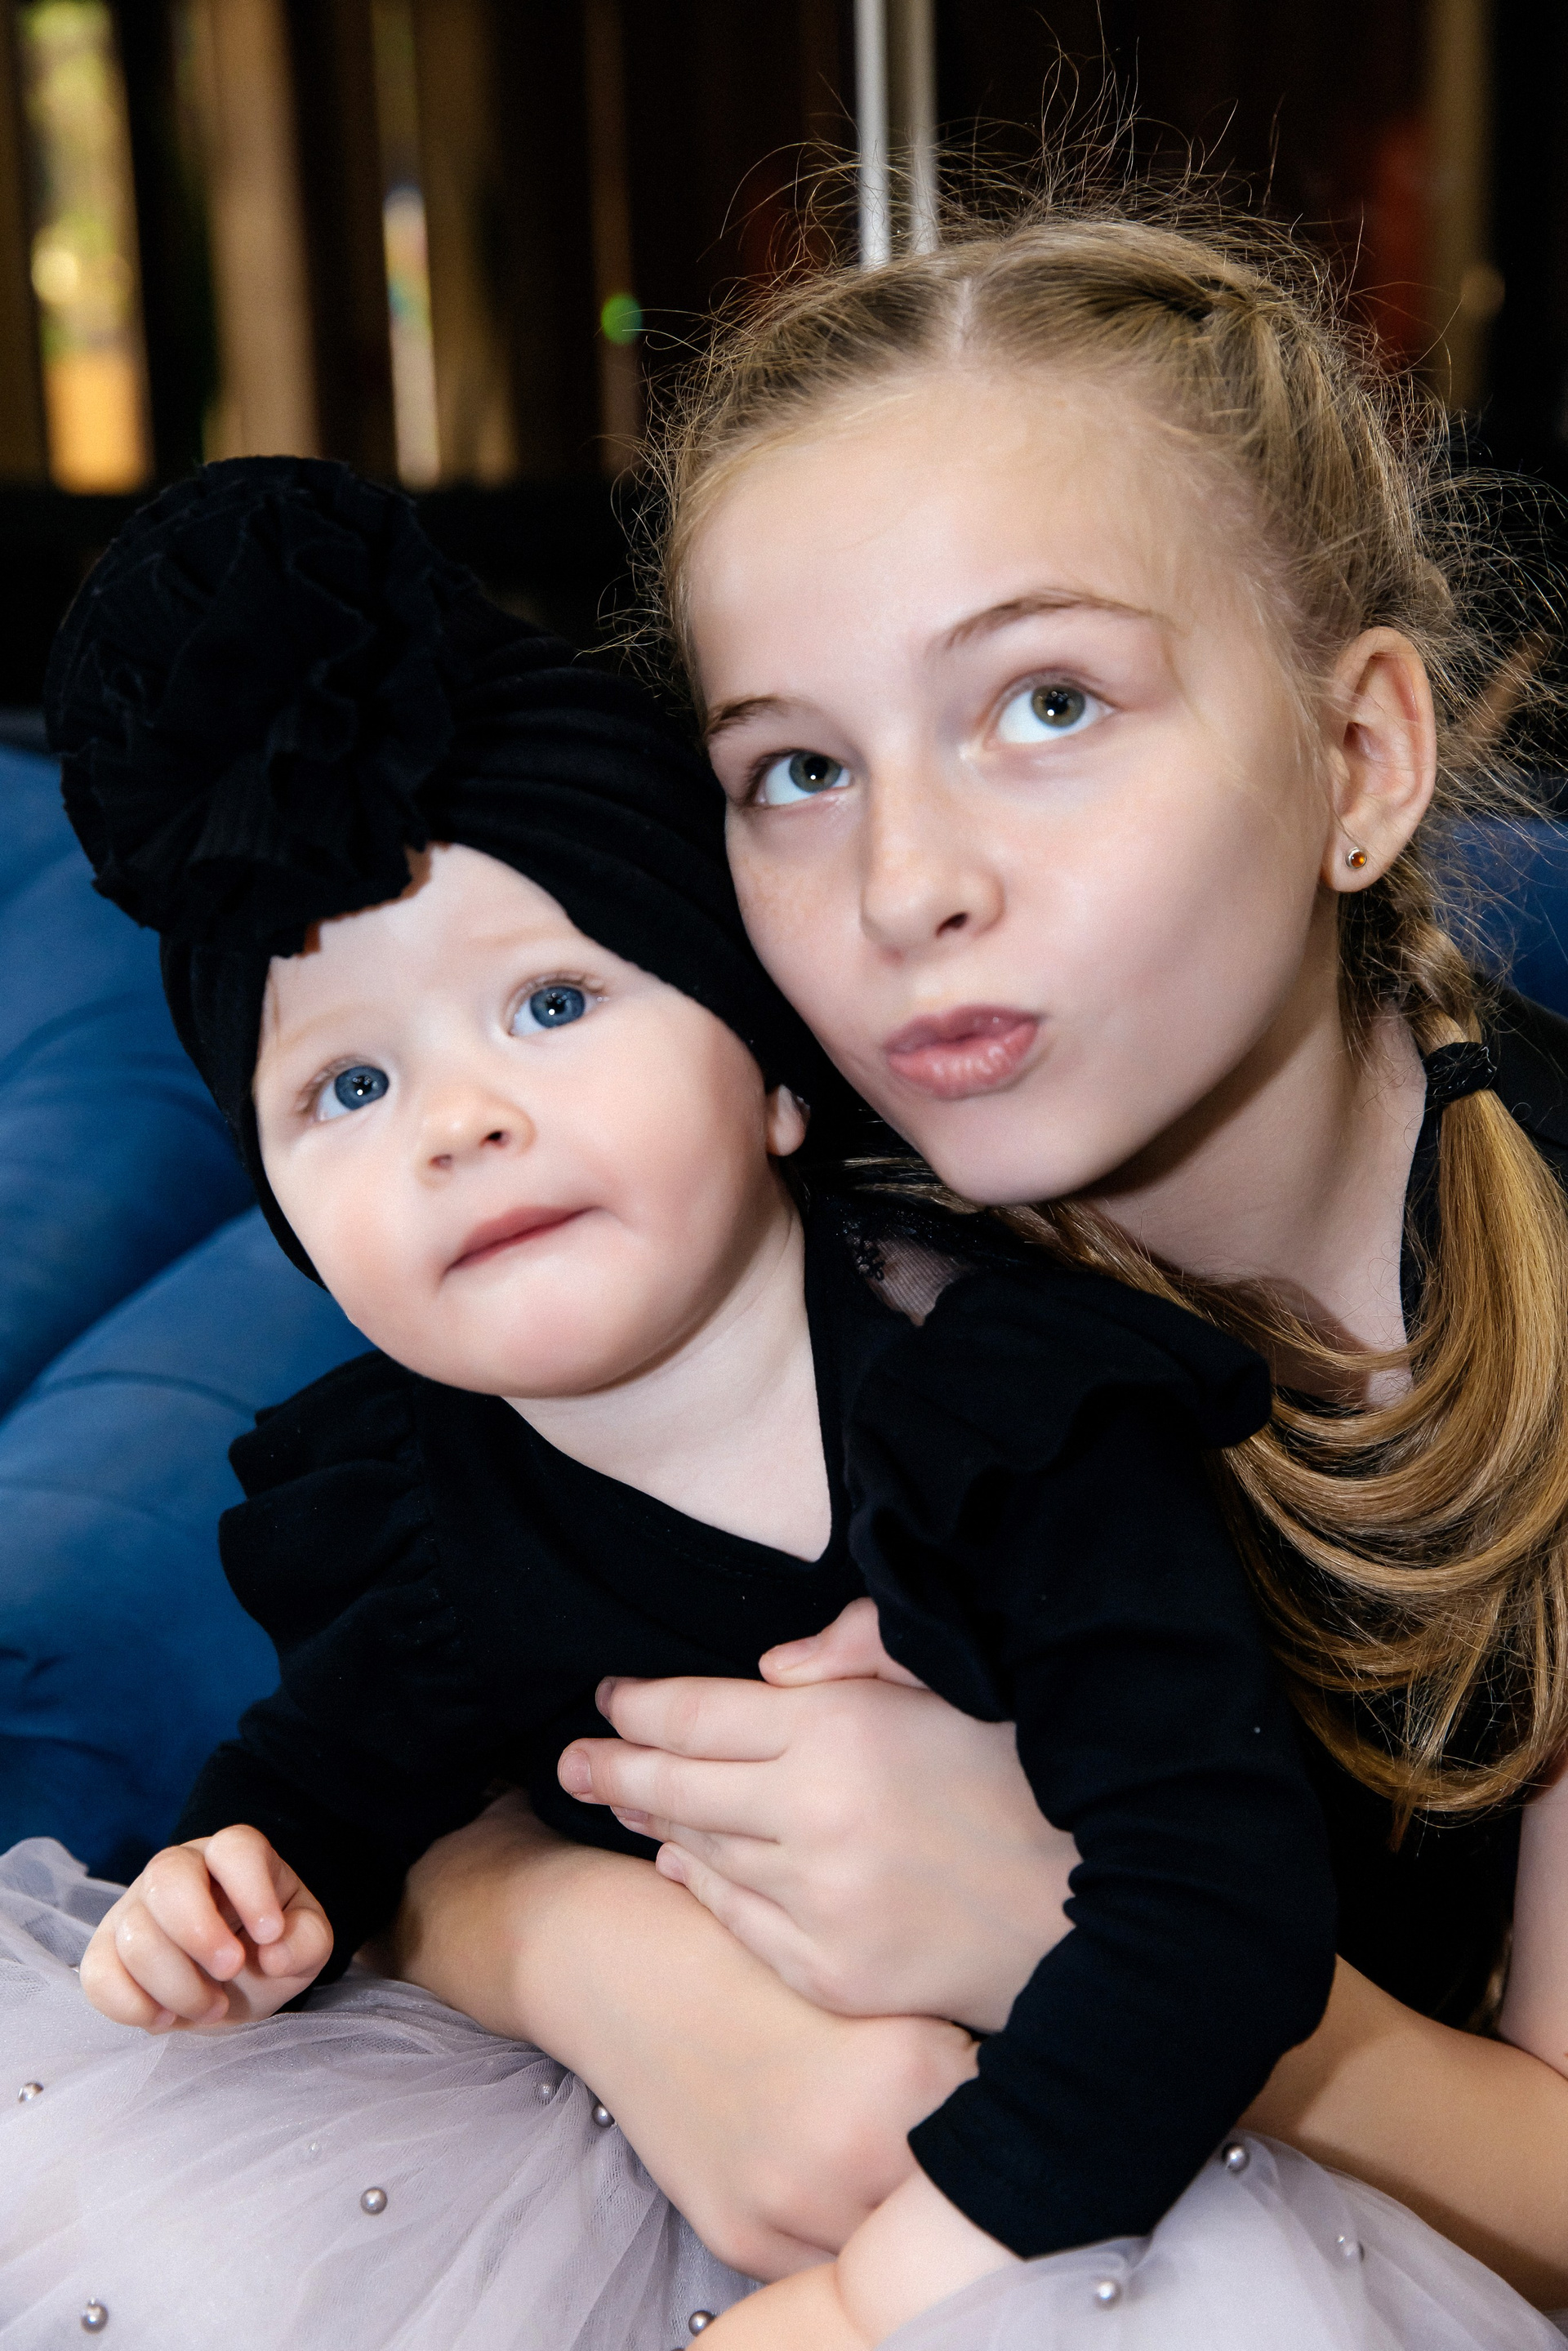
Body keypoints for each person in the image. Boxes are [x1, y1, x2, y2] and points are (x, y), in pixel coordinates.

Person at [0, 454, 1363, 2349]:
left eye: (553, 1005)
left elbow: (1219, 1906)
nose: (463, 1121)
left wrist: (889, 2299)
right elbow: (333, 1778)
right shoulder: (411, 1503)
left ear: (776, 1073)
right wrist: (231, 1886)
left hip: (1073, 2180)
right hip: (613, 2153)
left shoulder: (1013, 1419)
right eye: (348, 1090)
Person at [383, 180, 1568, 2334]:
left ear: (1360, 757)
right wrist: (591, 1960)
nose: (906, 884)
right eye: (797, 768)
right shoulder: (788, 1207)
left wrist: (1069, 1927)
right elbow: (375, 1750)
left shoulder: (1543, 1284)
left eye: (1045, 706)